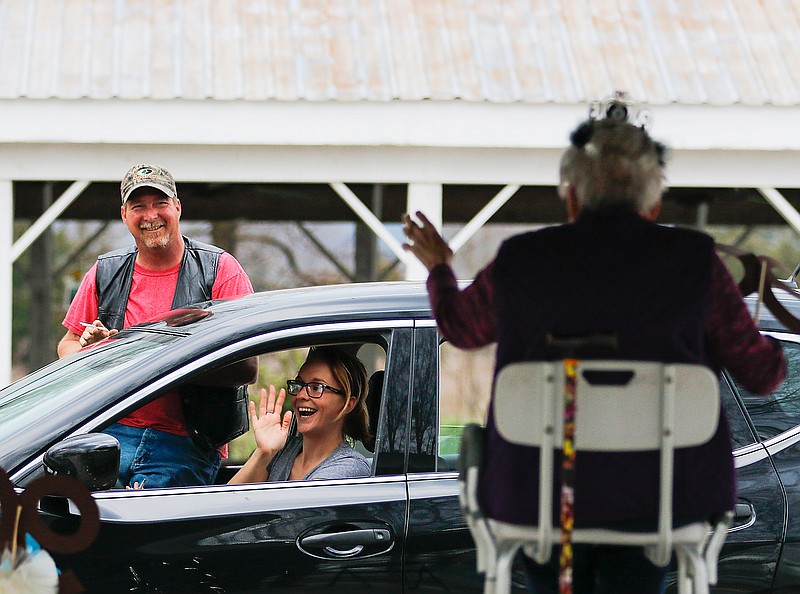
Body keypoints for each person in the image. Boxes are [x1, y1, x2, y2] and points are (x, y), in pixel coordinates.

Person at [402, 100, 787, 593]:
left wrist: (439, 267)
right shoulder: (695, 263)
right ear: (653, 203)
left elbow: (461, 328)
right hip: (661, 501)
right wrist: (754, 307)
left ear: (571, 198)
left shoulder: (524, 259)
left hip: (544, 500)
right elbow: (763, 374)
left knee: (560, 552)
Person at [58, 163, 257, 488]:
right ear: (125, 215)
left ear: (177, 207)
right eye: (138, 206)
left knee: (156, 539)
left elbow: (247, 367)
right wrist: (88, 353)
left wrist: (171, 359)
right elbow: (67, 345)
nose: (150, 215)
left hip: (186, 443)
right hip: (108, 434)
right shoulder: (105, 272)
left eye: (160, 203)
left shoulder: (220, 270)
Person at [229, 346, 371, 483]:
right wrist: (263, 452)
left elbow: (299, 506)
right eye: (299, 384)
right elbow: (229, 501)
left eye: (316, 387)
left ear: (348, 404)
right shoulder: (280, 450)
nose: (301, 395)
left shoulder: (351, 467)